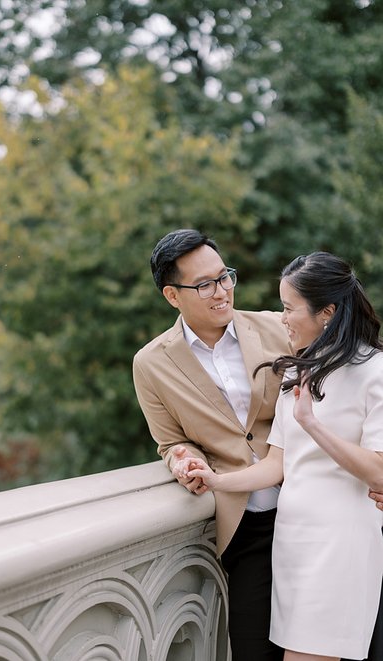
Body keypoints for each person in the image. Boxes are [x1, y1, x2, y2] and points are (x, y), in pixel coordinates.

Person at [186, 251, 383, 661]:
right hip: (293, 543)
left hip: (339, 542)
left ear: (326, 312)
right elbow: (277, 465)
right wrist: (217, 480)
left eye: (289, 308)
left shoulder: (374, 370)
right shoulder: (300, 370)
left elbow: (378, 471)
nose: (282, 318)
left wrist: (312, 424)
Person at [132, 229, 291, 661]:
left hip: (310, 508)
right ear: (172, 295)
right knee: (253, 649)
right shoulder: (150, 363)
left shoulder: (279, 327)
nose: (221, 292)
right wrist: (184, 459)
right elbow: (170, 441)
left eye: (225, 277)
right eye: (204, 284)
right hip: (246, 525)